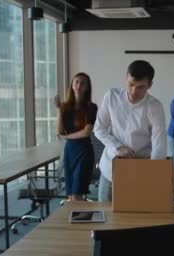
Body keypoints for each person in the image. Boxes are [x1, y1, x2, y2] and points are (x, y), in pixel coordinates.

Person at [93, 60, 167, 201]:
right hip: (111, 168)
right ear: (126, 77)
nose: (134, 91)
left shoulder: (154, 106)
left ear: (150, 85)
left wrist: (155, 174)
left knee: (135, 218)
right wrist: (118, 146)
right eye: (131, 84)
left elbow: (159, 143)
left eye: (140, 87)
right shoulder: (111, 97)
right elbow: (99, 128)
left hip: (140, 168)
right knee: (105, 216)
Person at [56, 72, 98, 201]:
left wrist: (68, 137)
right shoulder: (65, 107)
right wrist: (59, 110)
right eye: (77, 82)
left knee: (77, 193)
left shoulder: (91, 107)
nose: (79, 85)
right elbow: (60, 131)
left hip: (83, 151)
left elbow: (86, 132)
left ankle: (80, 218)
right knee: (70, 194)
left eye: (83, 83)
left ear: (87, 87)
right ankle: (74, 218)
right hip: (69, 151)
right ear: (72, 85)